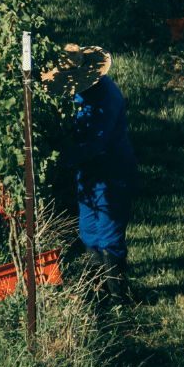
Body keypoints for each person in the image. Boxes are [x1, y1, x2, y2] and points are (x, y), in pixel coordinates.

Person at [47, 44, 136, 299]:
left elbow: (92, 147)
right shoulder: (81, 92)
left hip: (112, 171)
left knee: (108, 232)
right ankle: (98, 291)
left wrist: (53, 159)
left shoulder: (106, 98)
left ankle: (118, 297)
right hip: (89, 172)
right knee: (88, 229)